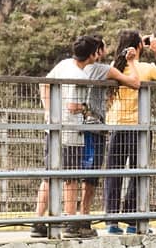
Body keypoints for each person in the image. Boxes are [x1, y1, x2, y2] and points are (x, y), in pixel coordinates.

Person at [36, 36, 140, 237]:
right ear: (95, 53)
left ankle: (39, 221)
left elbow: (44, 84)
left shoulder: (65, 64)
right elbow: (135, 83)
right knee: (75, 179)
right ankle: (75, 223)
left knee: (51, 175)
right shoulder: (90, 72)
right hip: (78, 132)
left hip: (55, 128)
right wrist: (132, 61)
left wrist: (49, 111)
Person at [103, 30, 156, 234]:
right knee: (138, 173)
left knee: (113, 173)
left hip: (116, 125)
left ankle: (112, 221)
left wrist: (137, 46)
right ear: (139, 47)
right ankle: (134, 221)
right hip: (138, 128)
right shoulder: (144, 69)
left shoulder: (113, 68)